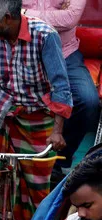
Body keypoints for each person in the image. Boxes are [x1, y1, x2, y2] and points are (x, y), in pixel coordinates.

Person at [0, 0, 72, 220]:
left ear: (7, 17)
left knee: (35, 188)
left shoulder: (45, 36)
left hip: (37, 116)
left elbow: (61, 86)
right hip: (2, 111)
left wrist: (57, 132)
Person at [24, 0, 99, 171]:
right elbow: (5, 13)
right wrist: (55, 16)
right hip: (25, 51)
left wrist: (26, 14)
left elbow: (69, 19)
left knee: (88, 101)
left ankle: (58, 160)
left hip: (66, 52)